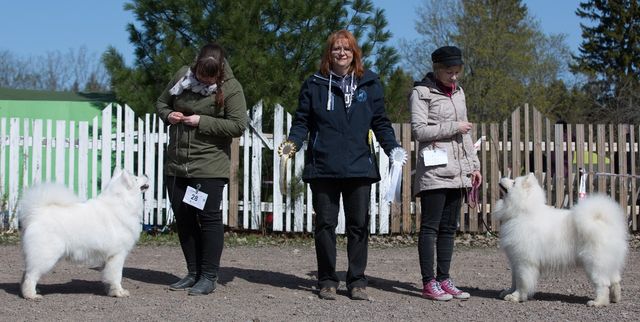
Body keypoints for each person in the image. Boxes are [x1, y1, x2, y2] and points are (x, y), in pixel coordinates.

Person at [280, 30, 403, 301]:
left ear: (354, 53)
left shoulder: (369, 83)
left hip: (359, 167)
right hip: (323, 166)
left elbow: (380, 122)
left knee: (358, 225)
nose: (341, 53)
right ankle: (327, 280)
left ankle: (357, 281)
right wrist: (293, 143)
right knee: (325, 224)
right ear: (329, 53)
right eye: (336, 48)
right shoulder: (313, 84)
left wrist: (392, 148)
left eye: (347, 49)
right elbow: (302, 121)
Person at [156, 43, 247, 296]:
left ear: (219, 73)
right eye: (199, 75)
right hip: (176, 165)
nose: (202, 80)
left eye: (209, 78)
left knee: (207, 219)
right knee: (184, 219)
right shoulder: (182, 76)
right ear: (195, 67)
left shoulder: (231, 88)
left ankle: (208, 276)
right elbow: (162, 103)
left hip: (208, 167)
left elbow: (239, 125)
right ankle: (193, 272)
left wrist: (202, 121)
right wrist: (169, 115)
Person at [410, 45, 481, 301]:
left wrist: (474, 166)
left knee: (449, 228)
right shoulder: (421, 93)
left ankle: (444, 278)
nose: (454, 77)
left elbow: (466, 134)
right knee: (430, 227)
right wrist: (454, 126)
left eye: (457, 72)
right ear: (437, 69)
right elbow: (418, 131)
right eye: (449, 72)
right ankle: (428, 282)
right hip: (434, 171)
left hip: (459, 172)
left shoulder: (460, 93)